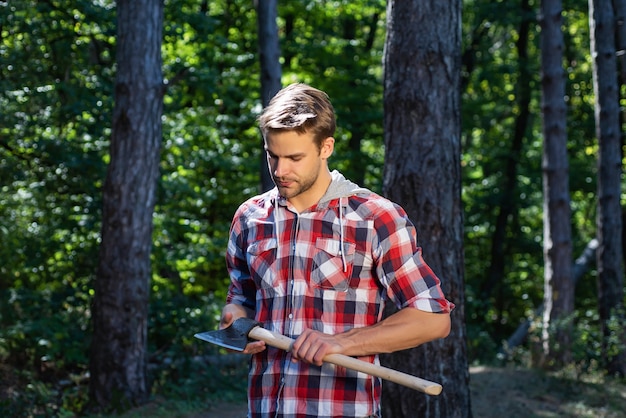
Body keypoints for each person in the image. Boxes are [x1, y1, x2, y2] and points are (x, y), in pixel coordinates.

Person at [219, 83, 454, 418]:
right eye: (273, 155)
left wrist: (343, 343)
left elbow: (433, 319)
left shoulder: (376, 217)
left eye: (295, 158)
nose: (280, 170)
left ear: (326, 147)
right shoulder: (249, 218)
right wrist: (236, 320)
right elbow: (239, 299)